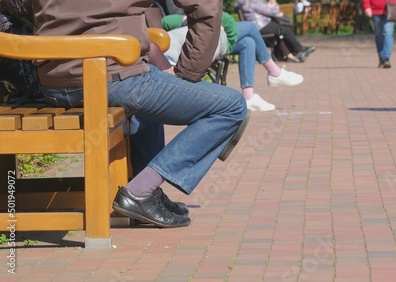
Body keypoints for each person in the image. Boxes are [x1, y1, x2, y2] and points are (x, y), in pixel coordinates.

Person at [32, 0, 248, 228]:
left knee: (147, 75)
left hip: (54, 83)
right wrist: (188, 72)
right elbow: (204, 7)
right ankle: (139, 192)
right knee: (231, 106)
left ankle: (147, 191)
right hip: (112, 78)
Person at [161, 12, 304, 111]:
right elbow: (165, 22)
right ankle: (274, 72)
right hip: (205, 41)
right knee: (250, 26)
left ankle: (248, 95)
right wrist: (188, 19)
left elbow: (220, 17)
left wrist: (213, 21)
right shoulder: (183, 15)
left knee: (248, 42)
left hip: (212, 38)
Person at [237, 0, 316, 63]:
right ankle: (299, 50)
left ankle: (290, 55)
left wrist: (273, 5)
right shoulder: (252, 1)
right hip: (260, 26)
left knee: (280, 28)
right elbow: (269, 11)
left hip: (258, 26)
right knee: (282, 27)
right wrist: (275, 5)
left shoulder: (246, 2)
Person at [362, 0, 396, 68]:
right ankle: (381, 57)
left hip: (392, 8)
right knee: (379, 35)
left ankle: (386, 58)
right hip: (375, 10)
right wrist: (367, 6)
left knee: (388, 32)